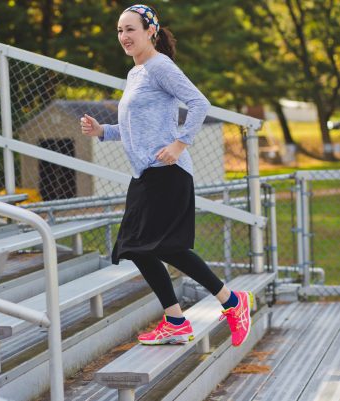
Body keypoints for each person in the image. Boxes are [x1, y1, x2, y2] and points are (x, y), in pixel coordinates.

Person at [81, 4, 254, 347]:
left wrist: (180, 144)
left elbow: (199, 102)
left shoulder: (160, 66)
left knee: (162, 247)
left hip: (168, 173)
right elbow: (135, 129)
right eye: (119, 30)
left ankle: (231, 303)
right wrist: (103, 130)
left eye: (131, 29)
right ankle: (179, 318)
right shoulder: (136, 74)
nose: (124, 37)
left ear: (150, 32)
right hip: (146, 175)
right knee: (139, 247)